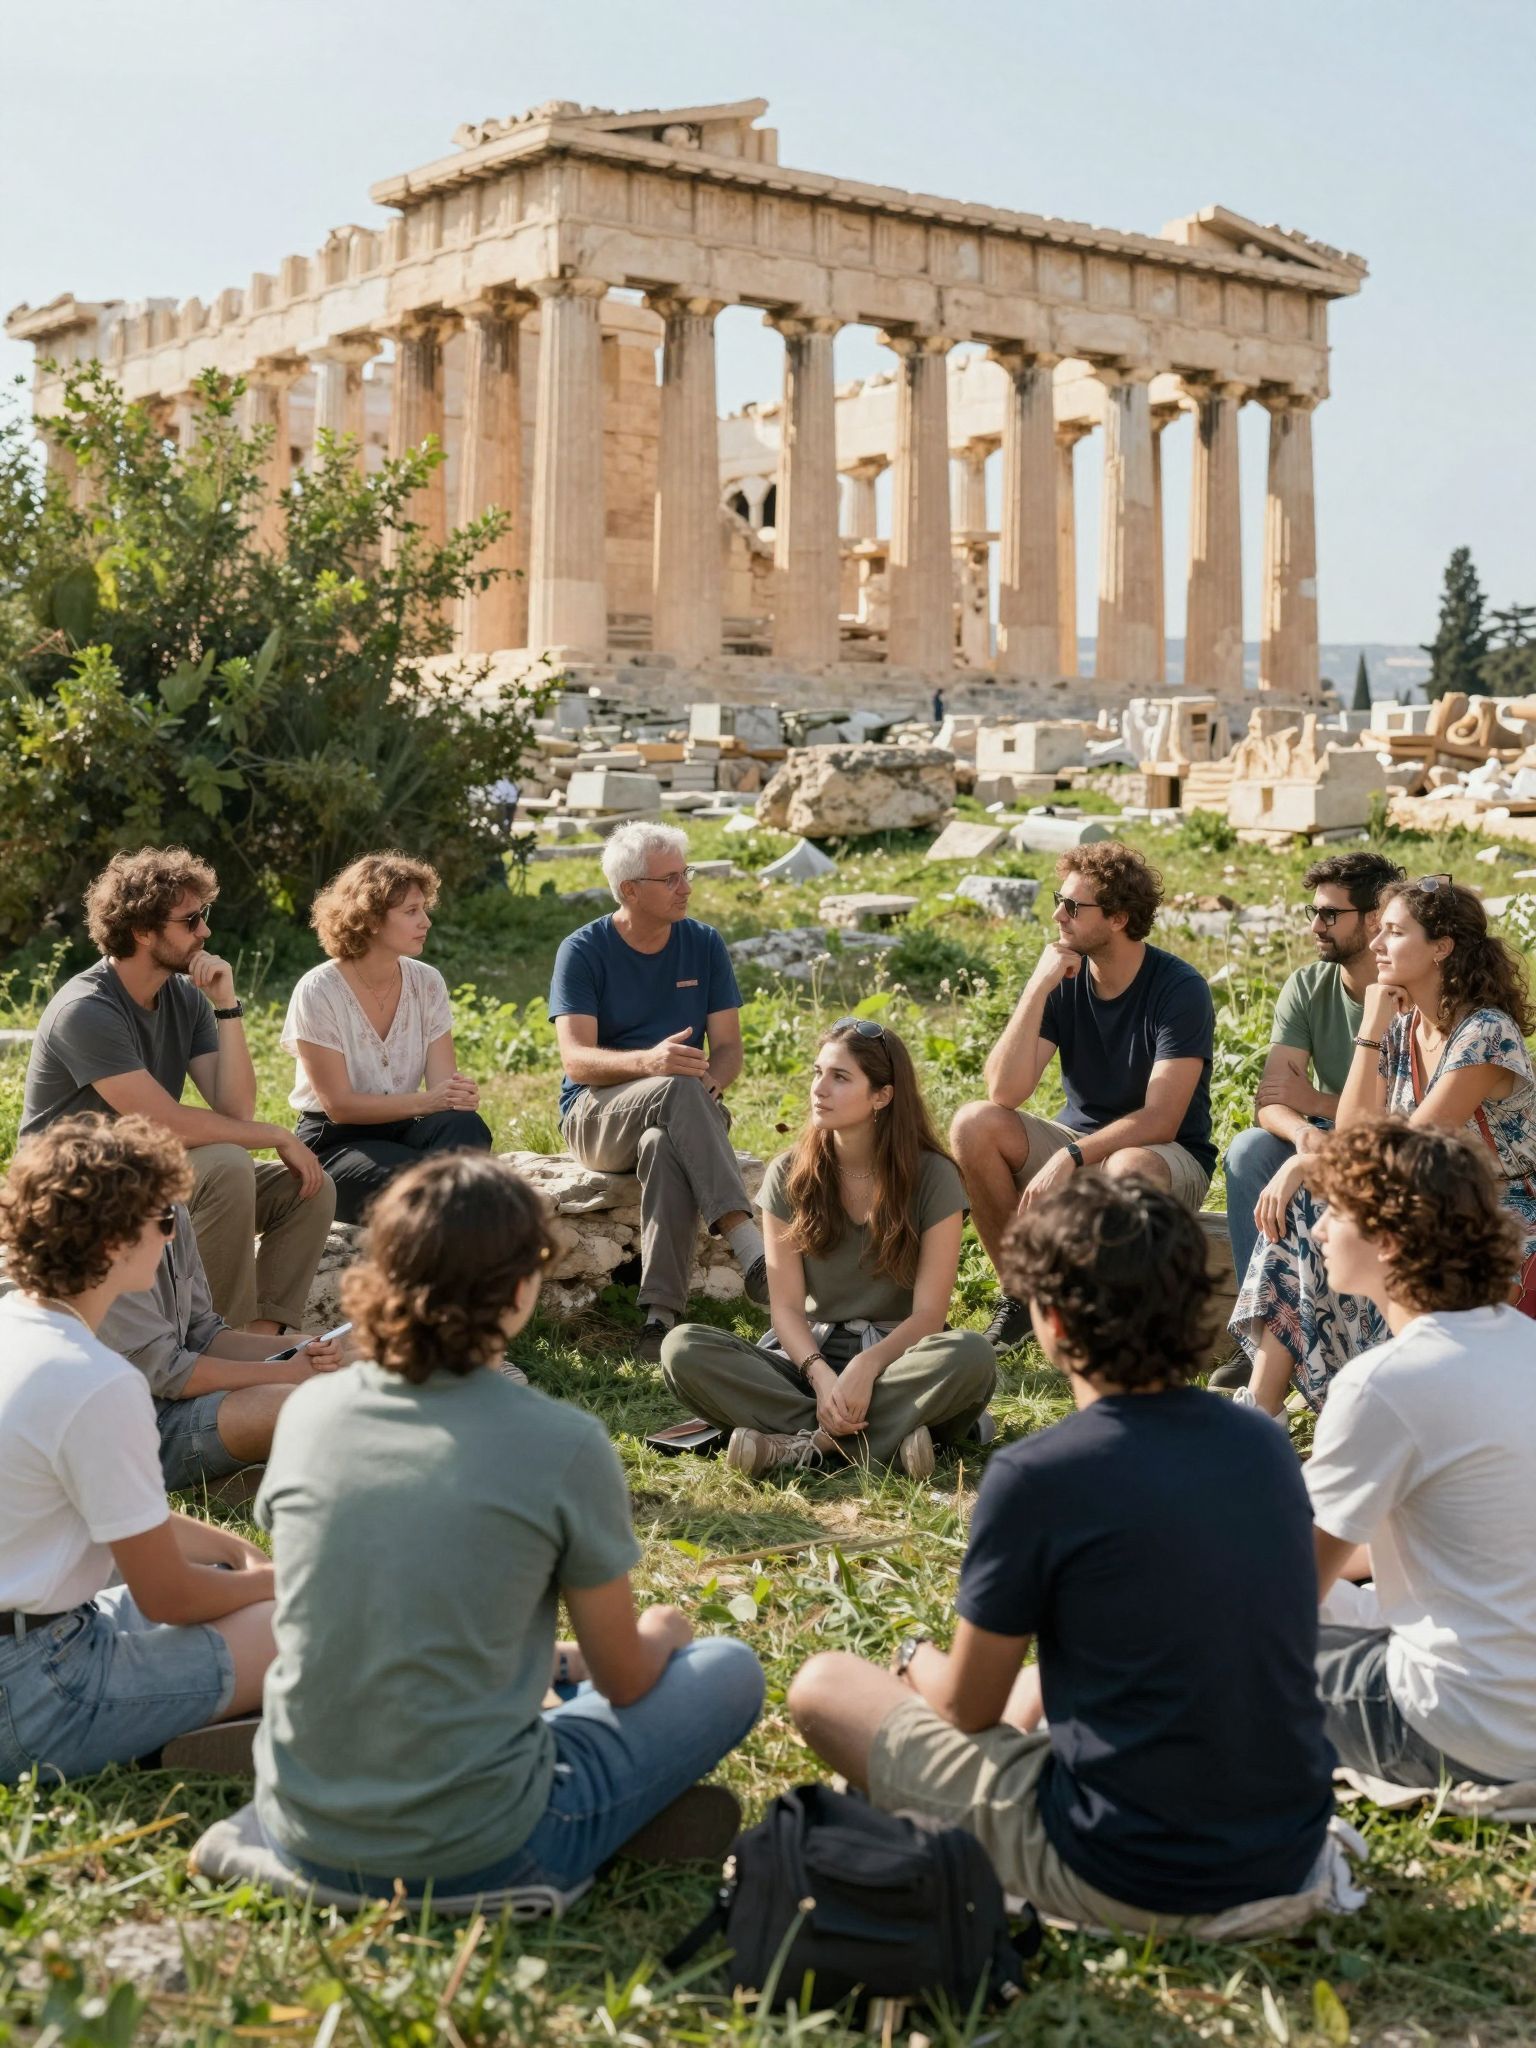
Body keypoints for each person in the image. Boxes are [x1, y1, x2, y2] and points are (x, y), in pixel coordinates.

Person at [785, 1173, 1335, 1930]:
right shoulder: (1265, 1445)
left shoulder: (1036, 1477)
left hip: (1128, 1870)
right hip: (1289, 1852)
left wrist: (915, 1659)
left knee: (824, 1686)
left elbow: (965, 1708)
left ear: (1053, 1325)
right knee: (1039, 1684)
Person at [252, 1153, 765, 1901]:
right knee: (726, 1668)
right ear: (522, 1287)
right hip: (480, 1846)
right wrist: (666, 1630)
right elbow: (625, 1679)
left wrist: (556, 1661)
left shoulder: (305, 1414)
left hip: (299, 1824)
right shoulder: (563, 1443)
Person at [0, 1115, 276, 1785]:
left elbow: (107, 1508)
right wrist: (282, 1580)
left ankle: (181, 1718)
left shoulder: (15, 1328)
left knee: (254, 1603)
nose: (173, 1234)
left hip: (35, 1636)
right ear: (120, 1240)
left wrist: (229, 1549)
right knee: (304, 1622)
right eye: (167, 1220)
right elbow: (170, 1597)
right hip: (38, 1693)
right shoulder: (98, 1381)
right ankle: (171, 1738)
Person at [1232, 875, 1536, 1413]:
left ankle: (1375, 1402)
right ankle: (1261, 1409)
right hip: (1426, 1197)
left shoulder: (1486, 1032)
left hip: (1498, 1208)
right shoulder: (1402, 1028)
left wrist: (1305, 1161)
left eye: (1393, 933)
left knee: (1350, 1209)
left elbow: (1416, 1151)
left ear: (1441, 948)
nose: (1376, 945)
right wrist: (1372, 1027)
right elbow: (1353, 1138)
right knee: (1311, 1206)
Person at [1305, 1117, 1536, 1791]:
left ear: (1390, 1239)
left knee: (1196, 1642)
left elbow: (1286, 1595)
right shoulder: (1521, 1343)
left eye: (1335, 1213)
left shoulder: (1385, 1384)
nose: (1318, 1230)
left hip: (1465, 1727)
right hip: (1518, 1701)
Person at [661, 1019, 996, 1479]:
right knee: (682, 1347)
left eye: (840, 1078)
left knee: (971, 1356)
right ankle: (887, 1442)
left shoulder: (934, 1177)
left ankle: (799, 1447)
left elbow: (928, 1318)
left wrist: (866, 1366)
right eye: (817, 1073)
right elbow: (787, 1311)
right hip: (805, 1361)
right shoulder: (789, 1174)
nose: (820, 1089)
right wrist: (821, 1376)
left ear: (882, 1095)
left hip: (898, 1360)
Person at [22, 847, 335, 1333]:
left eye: (204, 916)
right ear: (143, 931)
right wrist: (276, 1134)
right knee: (228, 1163)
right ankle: (212, 1338)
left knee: (308, 1187)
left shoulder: (184, 996)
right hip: (75, 1187)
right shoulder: (85, 1009)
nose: (205, 932)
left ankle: (262, 1336)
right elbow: (162, 1123)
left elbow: (234, 1107)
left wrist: (227, 1006)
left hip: (141, 1170)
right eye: (191, 921)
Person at [950, 841, 1216, 1354]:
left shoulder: (1179, 989)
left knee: (1126, 1169)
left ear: (1117, 918)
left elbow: (1161, 1119)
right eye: (1059, 899)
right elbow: (1004, 1090)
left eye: (1073, 906)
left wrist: (1072, 1157)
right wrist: (1036, 988)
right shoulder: (1064, 979)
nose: (1057, 915)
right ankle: (1024, 1297)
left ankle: (1109, 1323)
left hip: (1163, 1157)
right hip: (1080, 1142)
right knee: (973, 1124)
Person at [549, 822, 767, 1363]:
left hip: (684, 1113)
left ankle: (658, 1317)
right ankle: (749, 1245)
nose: (686, 887)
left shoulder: (704, 943)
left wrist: (711, 1080)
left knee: (663, 1146)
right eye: (670, 879)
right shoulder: (582, 950)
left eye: (685, 873)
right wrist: (649, 1063)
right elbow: (576, 1060)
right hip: (595, 1117)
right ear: (629, 890)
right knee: (674, 1087)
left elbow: (730, 1048)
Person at [1223, 852, 1403, 1289]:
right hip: (1325, 1132)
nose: (1315, 926)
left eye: (1329, 914)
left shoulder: (1410, 992)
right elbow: (1271, 1100)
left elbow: (1408, 1121)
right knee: (1248, 1152)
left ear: (1374, 919)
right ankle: (1263, 1332)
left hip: (1396, 1141)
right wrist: (1304, 1132)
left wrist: (1316, 1103)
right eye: (1314, 912)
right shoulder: (1307, 984)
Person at [282, 853, 492, 1225]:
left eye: (424, 909)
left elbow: (443, 1089)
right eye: (411, 911)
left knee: (467, 1126)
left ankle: (452, 1220)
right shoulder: (319, 990)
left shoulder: (427, 982)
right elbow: (339, 1106)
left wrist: (457, 1096)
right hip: (336, 1142)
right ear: (373, 919)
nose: (425, 921)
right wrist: (430, 1101)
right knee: (425, 1183)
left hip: (405, 1130)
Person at [98, 1193, 346, 1496]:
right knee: (296, 1403)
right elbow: (168, 1373)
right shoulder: (103, 1233)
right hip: (137, 1434)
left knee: (353, 1361)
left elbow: (204, 1333)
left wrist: (302, 1346)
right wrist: (286, 1373)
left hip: (178, 1403)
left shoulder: (170, 1204)